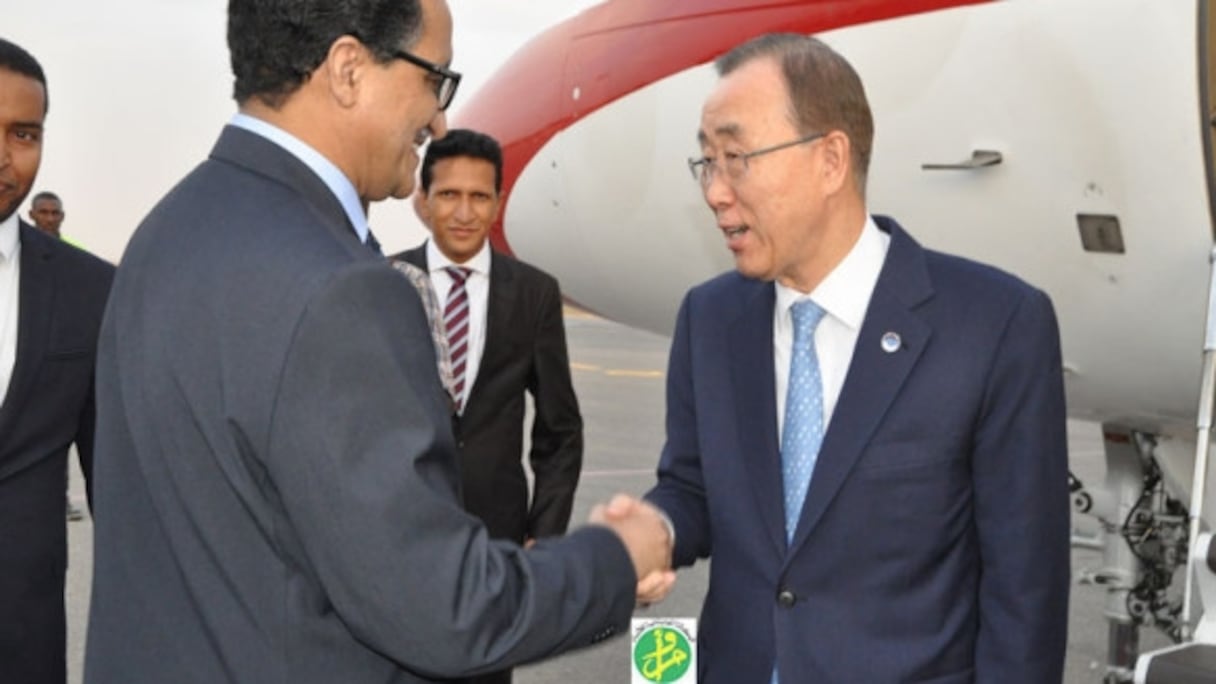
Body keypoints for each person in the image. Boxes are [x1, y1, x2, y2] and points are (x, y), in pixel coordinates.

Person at [83, 2, 671, 683]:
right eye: (434, 78)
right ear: (348, 69)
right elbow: (441, 609)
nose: (440, 118)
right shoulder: (341, 289)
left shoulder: (167, 232)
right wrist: (617, 559)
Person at [642, 33, 1070, 683]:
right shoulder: (710, 318)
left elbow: (1026, 594)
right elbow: (694, 486)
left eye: (736, 158)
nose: (715, 192)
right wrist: (656, 528)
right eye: (706, 163)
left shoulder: (996, 325)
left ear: (831, 160)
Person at [394, 129, 584, 684]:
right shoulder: (383, 282)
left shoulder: (534, 294)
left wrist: (543, 537)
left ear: (497, 203)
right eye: (449, 195)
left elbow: (560, 430)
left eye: (479, 197)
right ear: (422, 200)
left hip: (494, 548)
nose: (463, 211)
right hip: (398, 536)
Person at [0, 37, 114, 684]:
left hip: (25, 644)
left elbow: (115, 493)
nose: (3, 157)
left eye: (23, 134)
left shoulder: (90, 292)